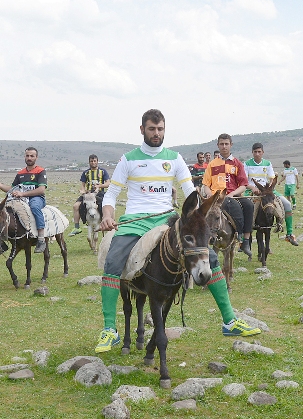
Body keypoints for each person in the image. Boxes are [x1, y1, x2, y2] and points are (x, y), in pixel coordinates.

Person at [95, 109, 260, 354]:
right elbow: (111, 194)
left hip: (167, 220)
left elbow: (190, 192)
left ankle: (229, 321)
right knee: (113, 261)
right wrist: (108, 215)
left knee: (210, 256)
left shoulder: (175, 158)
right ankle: (110, 329)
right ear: (142, 130)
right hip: (135, 221)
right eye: (152, 129)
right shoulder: (127, 159)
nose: (156, 133)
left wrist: (199, 212)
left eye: (160, 129)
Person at [201, 133, 253, 257]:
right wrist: (210, 195)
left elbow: (243, 185)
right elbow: (206, 184)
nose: (224, 146)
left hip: (232, 195)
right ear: (218, 145)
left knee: (249, 205)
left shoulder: (237, 163)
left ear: (231, 145)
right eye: (221, 144)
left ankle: (245, 240)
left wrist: (233, 194)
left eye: (226, 144)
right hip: (216, 197)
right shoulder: (212, 164)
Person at [0, 147, 48, 253]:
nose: (29, 158)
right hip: (21, 198)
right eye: (27, 156)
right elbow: (11, 189)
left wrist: (22, 194)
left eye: (32, 156)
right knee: (4, 211)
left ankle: (41, 239)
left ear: (36, 157)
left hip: (36, 198)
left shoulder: (41, 171)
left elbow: (41, 189)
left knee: (34, 207)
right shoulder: (20, 173)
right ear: (25, 157)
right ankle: (1, 239)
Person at [243, 143, 299, 246]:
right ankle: (243, 240)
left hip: (267, 191)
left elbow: (272, 178)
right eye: (255, 152)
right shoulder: (246, 164)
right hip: (252, 191)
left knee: (287, 204)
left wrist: (270, 187)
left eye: (259, 152)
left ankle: (289, 234)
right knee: (243, 208)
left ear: (263, 152)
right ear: (252, 152)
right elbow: (244, 181)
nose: (257, 154)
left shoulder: (267, 163)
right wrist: (253, 188)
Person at [69, 155, 110, 236]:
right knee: (76, 206)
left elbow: (108, 183)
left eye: (94, 161)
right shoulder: (86, 172)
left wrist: (99, 186)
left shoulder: (103, 171)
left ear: (97, 161)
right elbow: (82, 185)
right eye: (91, 161)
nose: (93, 162)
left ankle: (105, 222)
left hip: (99, 193)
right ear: (89, 162)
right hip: (88, 194)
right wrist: (82, 191)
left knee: (105, 205)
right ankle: (77, 227)